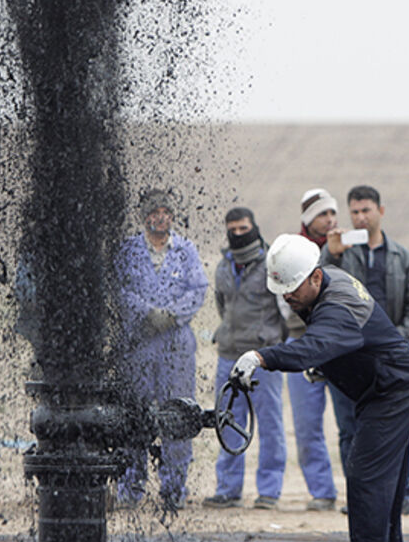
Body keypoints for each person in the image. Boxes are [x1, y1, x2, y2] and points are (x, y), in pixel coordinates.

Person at [232, 234, 409, 542]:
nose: (287, 298)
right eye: (282, 291)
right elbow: (348, 342)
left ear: (315, 278)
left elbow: (315, 344)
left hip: (396, 389)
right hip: (384, 384)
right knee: (383, 474)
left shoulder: (337, 303)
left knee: (364, 475)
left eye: (291, 289)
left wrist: (260, 357)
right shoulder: (325, 283)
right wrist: (328, 365)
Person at [323, 185, 409, 516]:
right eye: (354, 212)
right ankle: (358, 495)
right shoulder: (342, 253)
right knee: (350, 429)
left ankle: (403, 493)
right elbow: (322, 287)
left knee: (398, 426)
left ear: (381, 211)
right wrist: (332, 254)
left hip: (391, 357)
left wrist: (399, 341)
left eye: (366, 210)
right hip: (349, 356)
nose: (360, 217)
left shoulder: (402, 256)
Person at [114, 189, 208, 508]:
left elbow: (198, 290)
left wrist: (171, 316)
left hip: (176, 347)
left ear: (172, 216)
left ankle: (173, 489)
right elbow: (119, 289)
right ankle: (130, 487)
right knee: (134, 416)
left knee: (176, 415)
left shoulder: (186, 250)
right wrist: (146, 313)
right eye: (154, 212)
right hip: (138, 345)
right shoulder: (128, 250)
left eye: (166, 211)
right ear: (144, 216)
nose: (160, 217)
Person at [203, 207, 288, 510]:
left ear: (254, 227)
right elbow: (221, 304)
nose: (238, 234)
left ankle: (269, 490)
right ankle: (228, 489)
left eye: (243, 228)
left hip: (264, 358)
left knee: (269, 422)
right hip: (228, 355)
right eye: (233, 229)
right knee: (226, 420)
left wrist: (273, 344)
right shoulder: (224, 266)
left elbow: (285, 311)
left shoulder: (271, 264)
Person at [279, 187, 340, 511]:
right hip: (303, 342)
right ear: (308, 219)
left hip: (340, 345)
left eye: (333, 213)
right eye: (322, 214)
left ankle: (362, 489)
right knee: (306, 425)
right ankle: (322, 492)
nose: (330, 220)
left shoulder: (345, 250)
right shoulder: (292, 252)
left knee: (352, 423)